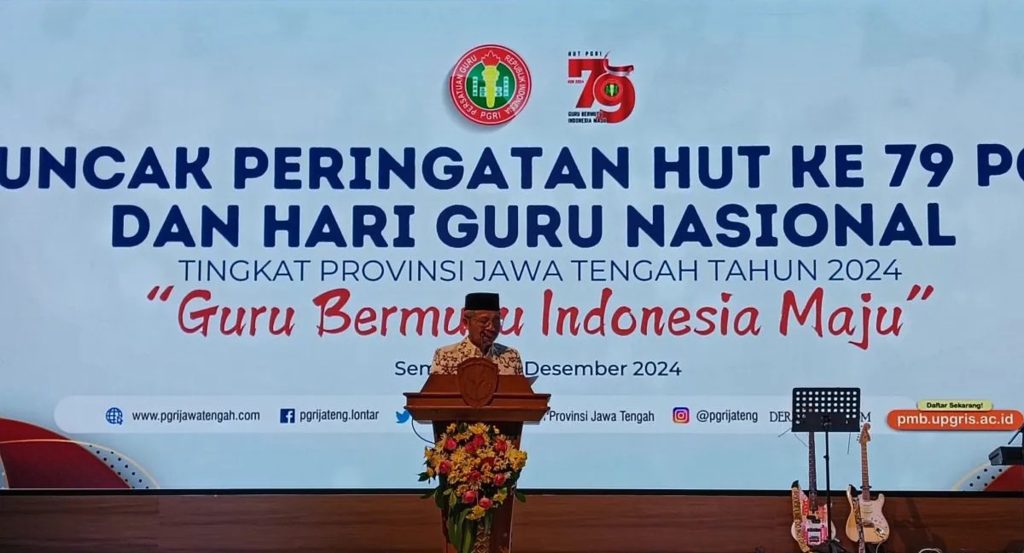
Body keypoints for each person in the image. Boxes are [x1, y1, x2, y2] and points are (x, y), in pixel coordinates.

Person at [429, 292, 523, 375]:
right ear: (466, 323)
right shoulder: (445, 356)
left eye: (496, 320)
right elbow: (438, 390)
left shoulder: (511, 355)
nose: (492, 327)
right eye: (484, 321)